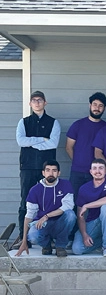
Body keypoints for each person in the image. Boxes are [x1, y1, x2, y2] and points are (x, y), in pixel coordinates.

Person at [15, 90, 61, 249]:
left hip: (47, 169)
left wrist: (31, 143)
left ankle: (50, 238)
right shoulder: (24, 122)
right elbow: (21, 141)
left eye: (40, 100)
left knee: (50, 202)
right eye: (34, 100)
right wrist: (41, 139)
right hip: (27, 168)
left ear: (45, 102)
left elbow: (53, 144)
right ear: (30, 103)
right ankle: (24, 238)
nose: (37, 102)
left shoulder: (53, 123)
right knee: (25, 203)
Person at [15, 160, 76, 258]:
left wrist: (47, 216)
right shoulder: (35, 190)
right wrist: (24, 241)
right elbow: (29, 216)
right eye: (48, 170)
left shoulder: (65, 185)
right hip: (42, 224)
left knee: (70, 215)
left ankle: (60, 246)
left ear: (59, 173)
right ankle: (46, 245)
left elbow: (68, 206)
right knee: (33, 236)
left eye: (54, 170)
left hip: (59, 222)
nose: (51, 173)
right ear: (43, 173)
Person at [72, 159, 106, 257]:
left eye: (101, 168)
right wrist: (84, 235)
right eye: (95, 168)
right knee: (77, 249)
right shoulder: (84, 189)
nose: (98, 171)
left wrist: (87, 205)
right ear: (91, 171)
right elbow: (80, 216)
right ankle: (100, 242)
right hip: (93, 222)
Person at [66, 92, 106, 196]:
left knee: (97, 204)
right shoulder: (78, 125)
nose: (97, 108)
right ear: (90, 105)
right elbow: (68, 147)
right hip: (78, 172)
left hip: (99, 173)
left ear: (104, 109)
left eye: (100, 106)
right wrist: (78, 161)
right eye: (95, 104)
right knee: (74, 203)